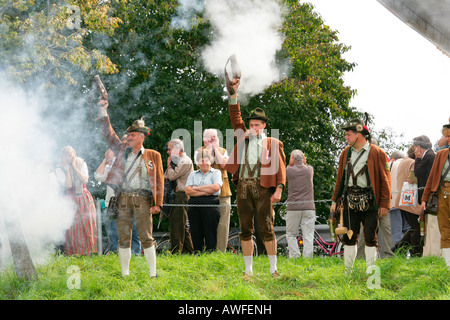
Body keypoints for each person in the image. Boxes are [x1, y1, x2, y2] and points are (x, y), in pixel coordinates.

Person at [224, 77, 286, 278]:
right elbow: (235, 117)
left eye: (257, 125)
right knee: (244, 229)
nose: (253, 128)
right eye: (251, 124)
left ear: (264, 126)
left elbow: (281, 169)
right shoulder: (243, 136)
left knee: (267, 228)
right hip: (243, 187)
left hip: (263, 188)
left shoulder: (273, 142)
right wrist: (233, 95)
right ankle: (248, 270)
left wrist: (279, 189)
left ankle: (273, 268)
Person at [97, 100, 164, 277]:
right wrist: (104, 113)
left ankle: (153, 273)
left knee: (146, 237)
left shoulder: (153, 155)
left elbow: (159, 181)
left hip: (143, 198)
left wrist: (158, 204)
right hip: (123, 198)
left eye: (133, 135)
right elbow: (108, 133)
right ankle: (125, 274)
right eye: (129, 135)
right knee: (123, 237)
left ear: (142, 136)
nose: (129, 137)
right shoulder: (120, 150)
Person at [330, 119, 391, 272]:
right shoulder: (346, 153)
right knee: (349, 237)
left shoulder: (377, 153)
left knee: (371, 237)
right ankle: (348, 272)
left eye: (348, 134)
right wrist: (334, 200)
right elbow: (340, 179)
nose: (346, 137)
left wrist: (384, 204)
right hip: (349, 200)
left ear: (359, 135)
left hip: (370, 201)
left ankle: (371, 271)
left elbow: (386, 181)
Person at [94, 145, 141, 255]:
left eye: (112, 159)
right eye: (109, 160)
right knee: (113, 233)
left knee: (134, 231)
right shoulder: (108, 168)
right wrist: (105, 161)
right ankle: (114, 255)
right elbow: (97, 176)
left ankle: (136, 255)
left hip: (130, 202)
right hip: (113, 205)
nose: (110, 163)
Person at [194, 129, 232, 252]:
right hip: (205, 194)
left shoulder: (223, 151)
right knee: (206, 223)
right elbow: (202, 165)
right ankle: (208, 251)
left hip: (223, 193)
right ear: (204, 139)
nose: (214, 140)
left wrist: (216, 149)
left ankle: (220, 251)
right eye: (211, 138)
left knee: (223, 224)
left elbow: (225, 165)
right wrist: (209, 151)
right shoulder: (199, 152)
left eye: (215, 137)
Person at [56, 146, 97, 256]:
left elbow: (85, 180)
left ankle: (89, 252)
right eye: (66, 156)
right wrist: (68, 170)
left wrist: (74, 166)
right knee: (72, 227)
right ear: (63, 157)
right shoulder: (59, 169)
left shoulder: (81, 163)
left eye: (70, 155)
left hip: (83, 196)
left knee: (86, 224)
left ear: (74, 154)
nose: (69, 158)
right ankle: (73, 253)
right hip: (70, 198)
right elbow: (68, 185)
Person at [421, 123, 450, 268]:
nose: (447, 139)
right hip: (443, 193)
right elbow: (432, 178)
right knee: (444, 229)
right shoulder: (441, 154)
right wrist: (424, 199)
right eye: (446, 136)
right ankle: (447, 265)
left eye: (449, 136)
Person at [185, 148, 222, 253]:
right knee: (196, 235)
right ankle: (197, 259)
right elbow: (187, 190)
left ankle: (211, 259)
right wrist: (206, 191)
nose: (204, 163)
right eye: (201, 160)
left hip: (211, 207)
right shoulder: (193, 174)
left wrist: (196, 188)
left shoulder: (216, 172)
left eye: (206, 160)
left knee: (210, 236)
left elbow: (215, 188)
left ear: (211, 161)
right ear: (198, 163)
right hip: (194, 208)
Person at [164, 139, 194, 254]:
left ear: (177, 149)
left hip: (181, 195)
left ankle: (176, 253)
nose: (167, 152)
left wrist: (169, 166)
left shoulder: (185, 161)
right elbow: (165, 176)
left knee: (178, 225)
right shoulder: (178, 161)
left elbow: (171, 176)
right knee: (182, 225)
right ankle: (190, 252)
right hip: (176, 195)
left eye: (169, 149)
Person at [392, 145, 422, 256]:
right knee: (417, 228)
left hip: (402, 199)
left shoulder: (403, 161)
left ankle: (399, 248)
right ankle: (414, 254)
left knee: (413, 227)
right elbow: (413, 179)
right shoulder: (412, 163)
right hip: (410, 200)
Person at [285, 150, 316, 259]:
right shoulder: (309, 170)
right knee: (308, 235)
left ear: (292, 159)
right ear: (303, 158)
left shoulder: (288, 170)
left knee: (291, 234)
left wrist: (290, 163)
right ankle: (307, 258)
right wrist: (303, 159)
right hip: (309, 207)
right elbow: (305, 164)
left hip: (293, 208)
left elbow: (284, 178)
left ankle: (295, 256)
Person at [413, 135, 440, 256]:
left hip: (430, 197)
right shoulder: (429, 156)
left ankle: (432, 253)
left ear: (418, 147)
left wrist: (417, 158)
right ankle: (429, 252)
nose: (414, 151)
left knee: (431, 227)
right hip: (427, 196)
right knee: (428, 226)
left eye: (415, 148)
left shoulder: (429, 157)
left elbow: (417, 172)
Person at [389, 150, 410, 249]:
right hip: (407, 201)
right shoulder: (409, 162)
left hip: (393, 200)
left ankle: (397, 253)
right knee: (407, 229)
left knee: (395, 231)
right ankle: (407, 251)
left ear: (393, 158)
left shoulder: (390, 164)